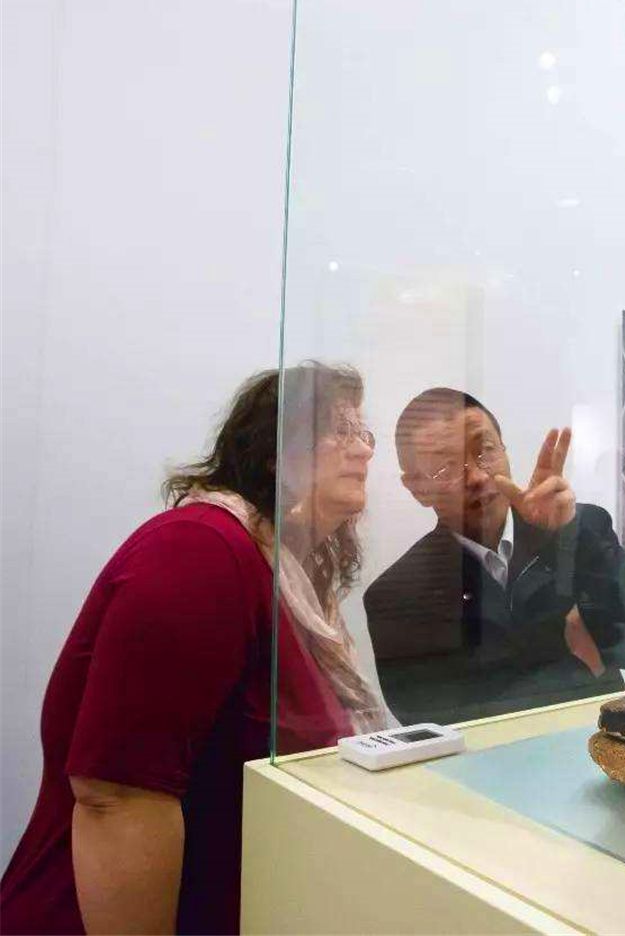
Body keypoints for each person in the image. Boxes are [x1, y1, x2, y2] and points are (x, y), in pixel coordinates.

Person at [1, 363, 387, 935]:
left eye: (363, 432)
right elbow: (117, 797)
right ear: (273, 452)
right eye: (338, 429)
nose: (362, 450)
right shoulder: (199, 551)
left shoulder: (288, 580)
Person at [364, 388, 625, 724]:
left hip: (592, 744)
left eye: (486, 451)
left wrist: (566, 535)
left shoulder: (583, 528)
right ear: (416, 487)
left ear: (505, 449)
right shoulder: (398, 593)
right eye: (445, 467)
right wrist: (578, 660)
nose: (477, 477)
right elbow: (434, 718)